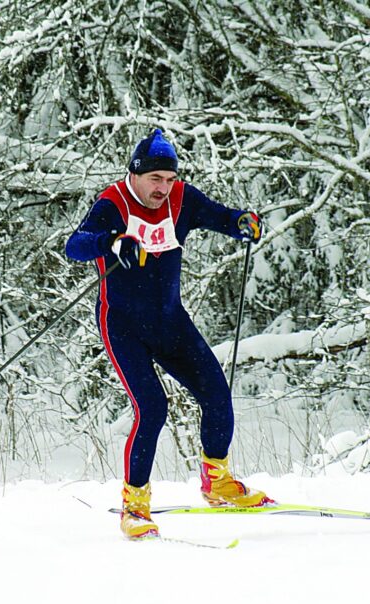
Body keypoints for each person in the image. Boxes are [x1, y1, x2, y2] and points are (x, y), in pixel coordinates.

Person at [66, 129, 273, 540]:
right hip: (123, 326)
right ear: (135, 174)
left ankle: (218, 483)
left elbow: (219, 216)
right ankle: (135, 506)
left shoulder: (181, 199)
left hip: (170, 322)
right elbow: (76, 245)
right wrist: (113, 242)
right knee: (152, 407)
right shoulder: (113, 203)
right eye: (155, 179)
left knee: (216, 393)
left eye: (169, 179)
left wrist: (241, 223)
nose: (163, 188)